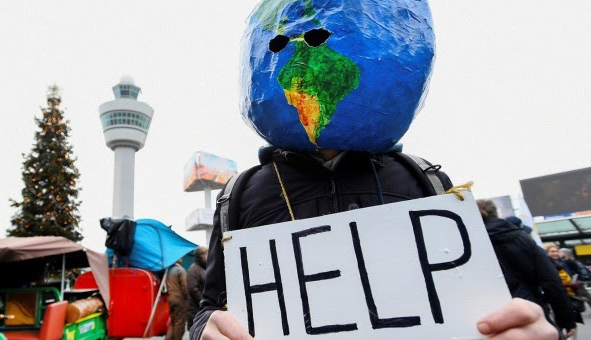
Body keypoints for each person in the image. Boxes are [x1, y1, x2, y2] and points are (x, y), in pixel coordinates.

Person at [190, 0, 559, 339]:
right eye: (282, 45)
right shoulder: (239, 194)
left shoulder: (424, 179)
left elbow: (483, 299)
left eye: (319, 38)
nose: (301, 64)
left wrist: (527, 326)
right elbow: (211, 306)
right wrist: (206, 330)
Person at [477, 199, 577, 337]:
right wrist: (566, 320)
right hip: (530, 310)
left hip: (486, 317)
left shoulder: (468, 241)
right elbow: (551, 281)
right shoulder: (522, 238)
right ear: (495, 213)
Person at [545, 243, 586, 325]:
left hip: (570, 296)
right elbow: (549, 282)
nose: (555, 253)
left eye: (556, 251)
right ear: (546, 253)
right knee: (560, 323)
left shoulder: (563, 264)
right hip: (556, 298)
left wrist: (575, 283)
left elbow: (571, 275)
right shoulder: (545, 265)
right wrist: (567, 285)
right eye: (552, 251)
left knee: (571, 323)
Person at [166, 259, 188, 340]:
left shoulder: (168, 271)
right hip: (179, 299)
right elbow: (184, 286)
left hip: (171, 298)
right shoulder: (181, 270)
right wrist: (187, 297)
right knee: (179, 323)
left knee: (173, 322)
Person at [187, 247, 208, 329]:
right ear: (199, 256)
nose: (208, 256)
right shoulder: (194, 269)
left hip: (201, 308)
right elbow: (193, 289)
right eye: (205, 254)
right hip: (195, 309)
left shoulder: (203, 268)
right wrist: (203, 301)